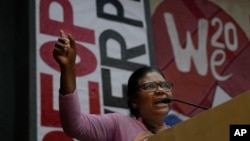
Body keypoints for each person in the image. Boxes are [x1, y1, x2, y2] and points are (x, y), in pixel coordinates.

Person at [53, 30, 173, 141]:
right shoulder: (119, 124)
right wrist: (68, 69)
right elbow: (75, 125)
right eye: (150, 86)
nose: (161, 90)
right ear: (134, 101)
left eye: (165, 85)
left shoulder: (181, 133)